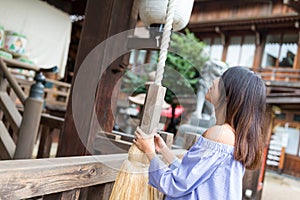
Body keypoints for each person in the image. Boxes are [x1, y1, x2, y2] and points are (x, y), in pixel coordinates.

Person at [133, 66, 266, 199]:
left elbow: (175, 185)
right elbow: (191, 176)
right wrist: (163, 150)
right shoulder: (233, 137)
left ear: (229, 95)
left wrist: (149, 152)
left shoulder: (220, 135)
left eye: (222, 79)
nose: (215, 81)